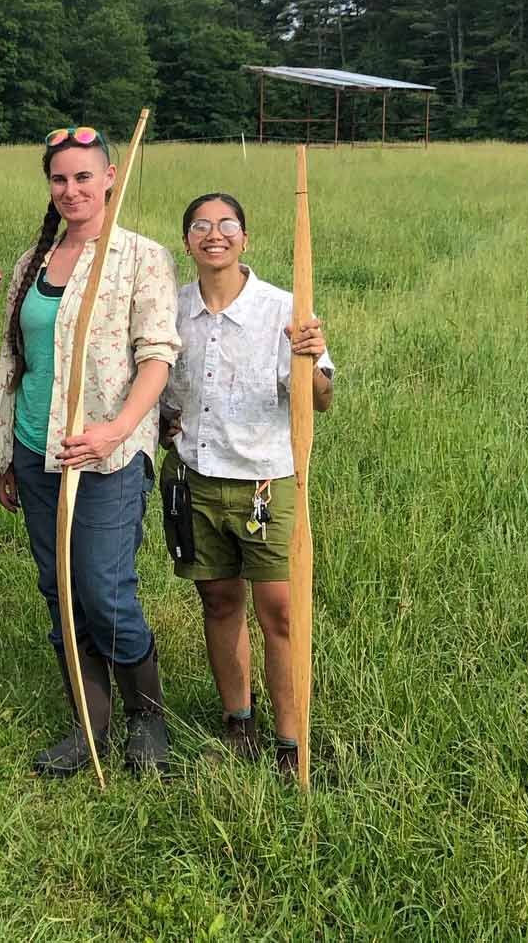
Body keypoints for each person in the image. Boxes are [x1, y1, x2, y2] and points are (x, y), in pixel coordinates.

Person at [0, 125, 180, 777]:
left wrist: (115, 429)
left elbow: (156, 356)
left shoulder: (139, 257)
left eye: (83, 177)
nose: (71, 190)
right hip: (38, 452)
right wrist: (6, 451)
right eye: (60, 179)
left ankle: (146, 717)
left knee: (102, 589)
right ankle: (88, 726)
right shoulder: (32, 262)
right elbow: (15, 359)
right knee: (59, 590)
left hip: (107, 456)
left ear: (110, 177)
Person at [158, 192, 333, 778]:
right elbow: (157, 385)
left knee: (279, 610)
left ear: (245, 237)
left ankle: (291, 740)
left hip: (264, 481)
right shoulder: (171, 309)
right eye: (200, 226)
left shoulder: (283, 309)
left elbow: (322, 400)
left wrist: (311, 363)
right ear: (187, 241)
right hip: (194, 479)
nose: (214, 234)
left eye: (227, 224)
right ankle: (239, 721)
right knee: (218, 599)